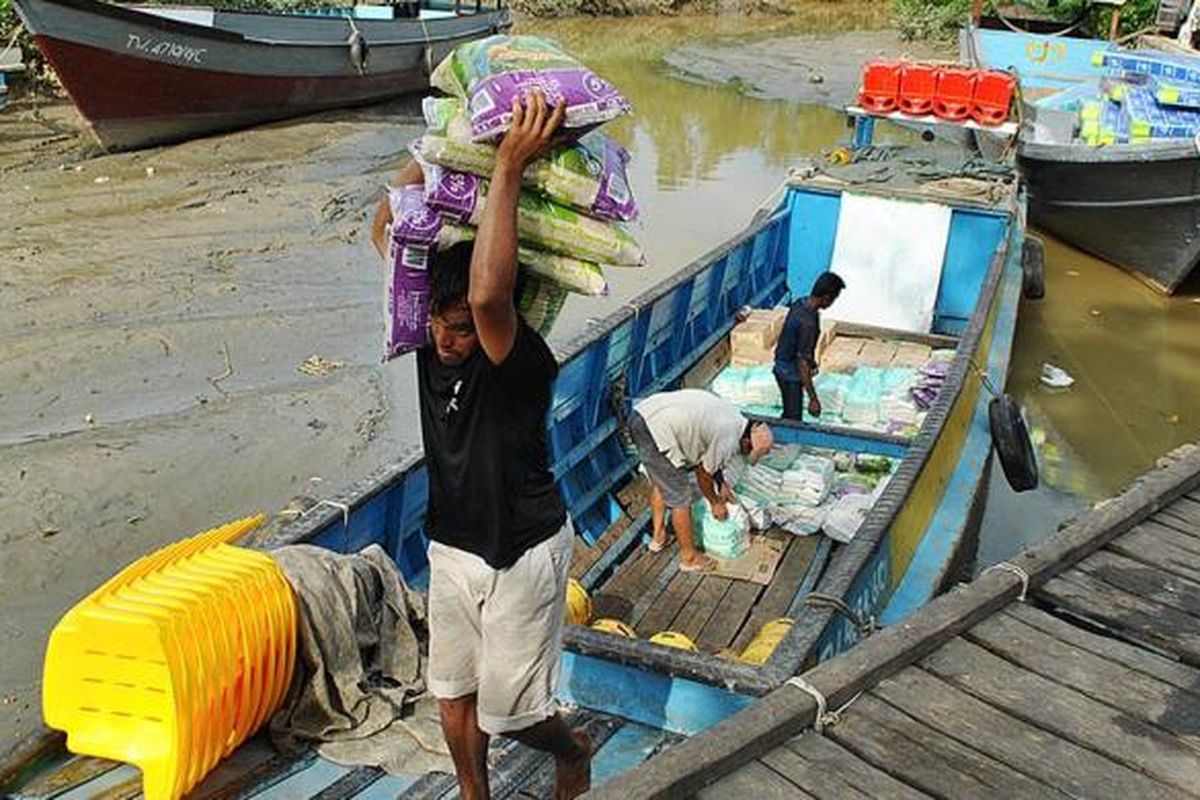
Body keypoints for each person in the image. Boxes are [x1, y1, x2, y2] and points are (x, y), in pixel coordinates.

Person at [370, 92, 590, 800]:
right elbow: (383, 229)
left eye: (459, 327)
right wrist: (435, 147)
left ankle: (573, 748)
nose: (445, 338)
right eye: (439, 322)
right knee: (452, 691)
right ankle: (474, 793)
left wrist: (509, 164)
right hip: (452, 545)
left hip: (522, 550)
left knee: (513, 712)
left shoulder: (519, 360)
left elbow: (491, 296)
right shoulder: (428, 345)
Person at [629, 389, 773, 572]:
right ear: (746, 442)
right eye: (748, 452)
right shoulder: (729, 438)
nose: (744, 455)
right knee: (680, 497)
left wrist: (721, 483)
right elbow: (703, 473)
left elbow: (708, 458)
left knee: (662, 480)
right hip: (656, 430)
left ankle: (658, 538)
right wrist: (715, 502)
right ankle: (688, 558)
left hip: (643, 413)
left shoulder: (734, 418)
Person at [773, 272, 845, 422]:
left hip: (781, 365)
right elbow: (802, 363)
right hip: (789, 374)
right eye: (834, 298)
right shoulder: (808, 323)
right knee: (793, 420)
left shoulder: (801, 303)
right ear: (826, 298)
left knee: (789, 414)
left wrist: (811, 361)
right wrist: (813, 399)